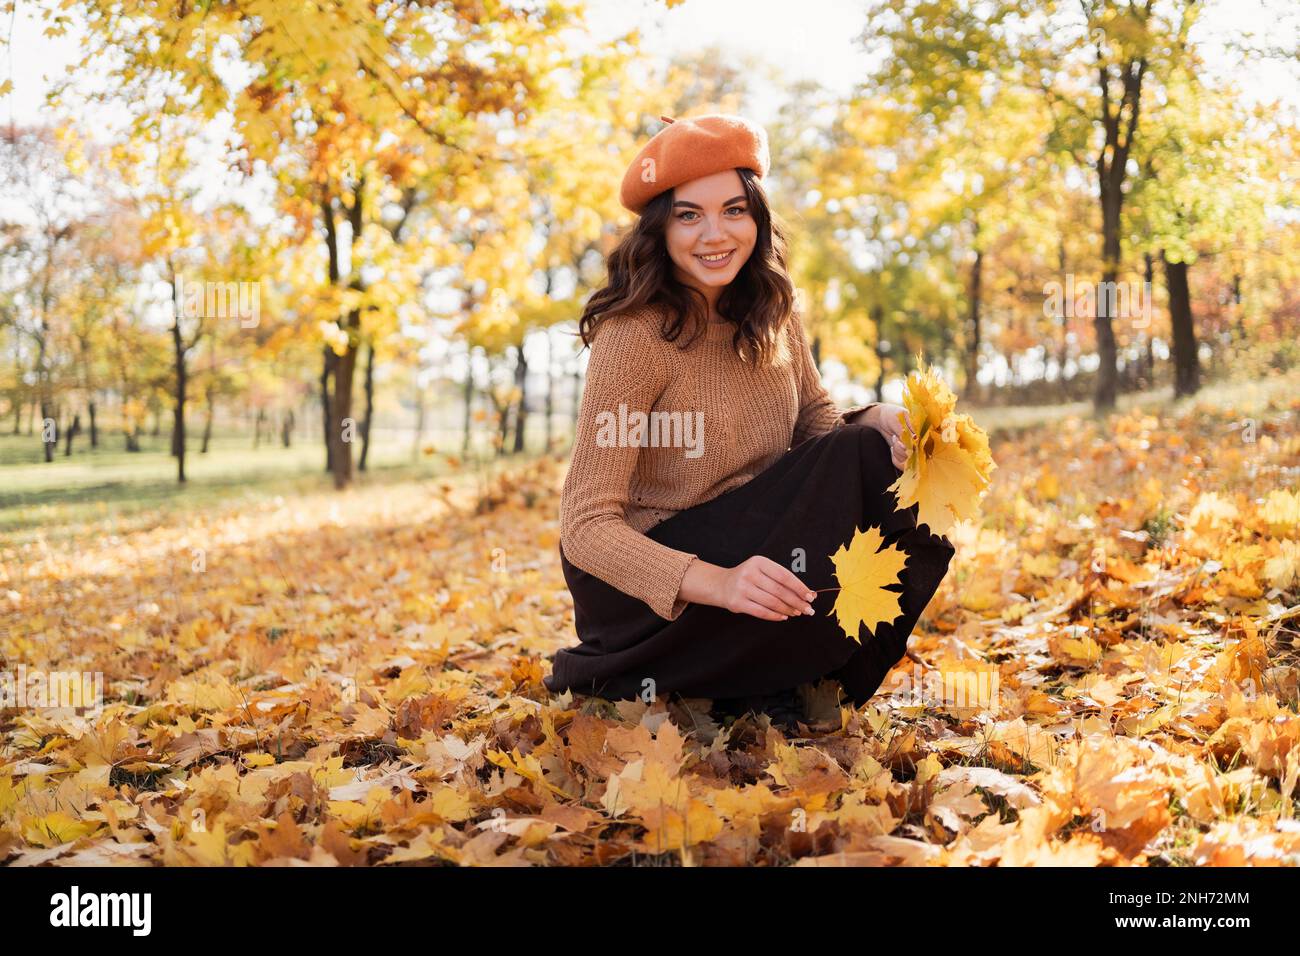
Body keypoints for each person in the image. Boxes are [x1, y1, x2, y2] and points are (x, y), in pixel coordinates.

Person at [544, 113, 956, 732]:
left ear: (757, 219)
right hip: (644, 584)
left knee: (876, 460)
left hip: (757, 549)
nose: (715, 233)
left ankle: (798, 679)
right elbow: (585, 526)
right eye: (689, 215)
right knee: (853, 457)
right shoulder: (635, 339)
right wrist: (718, 582)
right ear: (659, 229)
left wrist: (874, 418)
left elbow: (815, 428)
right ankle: (687, 675)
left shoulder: (772, 307)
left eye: (734, 210)